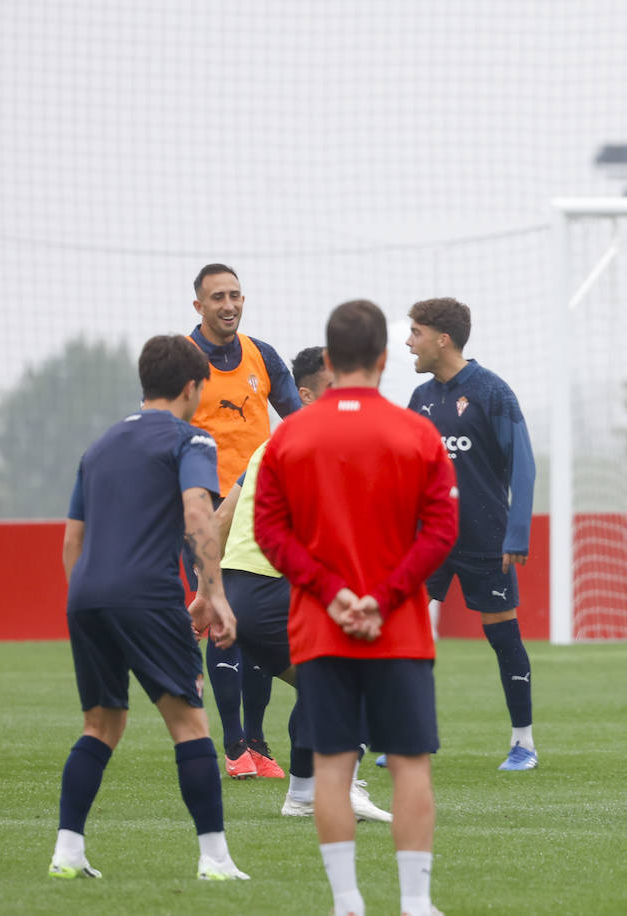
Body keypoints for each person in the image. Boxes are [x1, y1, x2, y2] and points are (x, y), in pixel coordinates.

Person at [254, 300, 458, 916]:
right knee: (408, 764)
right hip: (396, 629)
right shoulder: (415, 432)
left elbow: (269, 530)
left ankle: (347, 902)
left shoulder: (289, 434)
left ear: (329, 358)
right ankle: (415, 904)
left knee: (333, 766)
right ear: (382, 357)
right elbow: (442, 529)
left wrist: (334, 593)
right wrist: (382, 596)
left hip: (320, 628)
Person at [49, 334, 248, 881]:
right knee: (190, 725)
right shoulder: (193, 440)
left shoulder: (100, 446)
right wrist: (214, 594)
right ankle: (215, 860)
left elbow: (71, 543)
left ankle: (67, 853)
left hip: (86, 596)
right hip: (149, 594)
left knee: (101, 724)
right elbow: (197, 513)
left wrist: (88, 600)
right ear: (192, 387)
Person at [214, 346, 390, 823]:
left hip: (243, 589)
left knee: (318, 685)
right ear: (308, 394)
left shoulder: (272, 444)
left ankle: (301, 795)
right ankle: (345, 790)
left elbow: (222, 518)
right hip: (268, 588)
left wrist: (208, 592)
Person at [398, 296, 539, 771]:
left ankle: (524, 743)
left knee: (503, 638)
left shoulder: (491, 391)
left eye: (415, 333)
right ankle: (409, 735)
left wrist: (516, 534)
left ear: (442, 338)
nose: (408, 342)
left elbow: (523, 462)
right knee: (406, 633)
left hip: (486, 540)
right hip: (427, 542)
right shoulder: (420, 399)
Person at [188, 262, 303, 780]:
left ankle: (257, 740)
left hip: (259, 507)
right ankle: (234, 745)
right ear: (199, 306)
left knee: (257, 625)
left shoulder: (263, 355)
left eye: (235, 294)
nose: (229, 304)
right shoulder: (185, 359)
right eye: (218, 297)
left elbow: (298, 421)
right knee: (220, 621)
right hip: (204, 509)